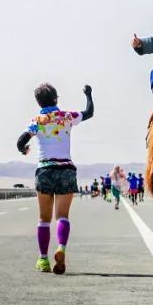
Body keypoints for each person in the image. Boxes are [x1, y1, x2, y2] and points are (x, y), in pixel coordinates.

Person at [16, 82, 95, 275]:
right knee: (62, 216)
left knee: (44, 218)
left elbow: (20, 141)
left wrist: (24, 150)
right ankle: (61, 248)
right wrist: (88, 94)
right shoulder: (67, 117)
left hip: (45, 170)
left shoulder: (37, 120)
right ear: (56, 99)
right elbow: (89, 112)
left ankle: (43, 259)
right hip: (66, 170)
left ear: (38, 102)